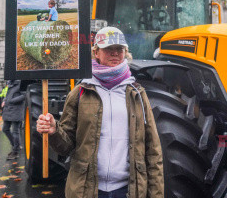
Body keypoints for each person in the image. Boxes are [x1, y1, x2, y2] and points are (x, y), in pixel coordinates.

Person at [37, 27, 164, 198]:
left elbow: (153, 151)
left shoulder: (137, 93)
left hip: (128, 190)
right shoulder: (81, 91)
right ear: (96, 52)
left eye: (119, 49)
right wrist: (54, 131)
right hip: (87, 191)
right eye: (108, 49)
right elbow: (65, 147)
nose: (114, 53)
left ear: (125, 52)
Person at [1, 80, 25, 160]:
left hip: (16, 110)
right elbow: (8, 96)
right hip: (8, 109)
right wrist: (4, 100)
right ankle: (15, 145)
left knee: (15, 131)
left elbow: (24, 95)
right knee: (5, 129)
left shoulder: (20, 83)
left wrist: (11, 101)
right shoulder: (10, 84)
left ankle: (15, 152)